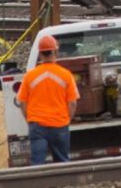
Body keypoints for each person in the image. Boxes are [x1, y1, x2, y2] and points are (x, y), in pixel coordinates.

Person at [17, 35, 79, 165]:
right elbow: (72, 102)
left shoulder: (30, 76)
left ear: (40, 53)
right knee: (63, 164)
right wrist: (66, 119)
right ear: (55, 52)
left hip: (37, 126)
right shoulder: (66, 75)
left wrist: (30, 120)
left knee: (37, 165)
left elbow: (22, 103)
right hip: (60, 125)